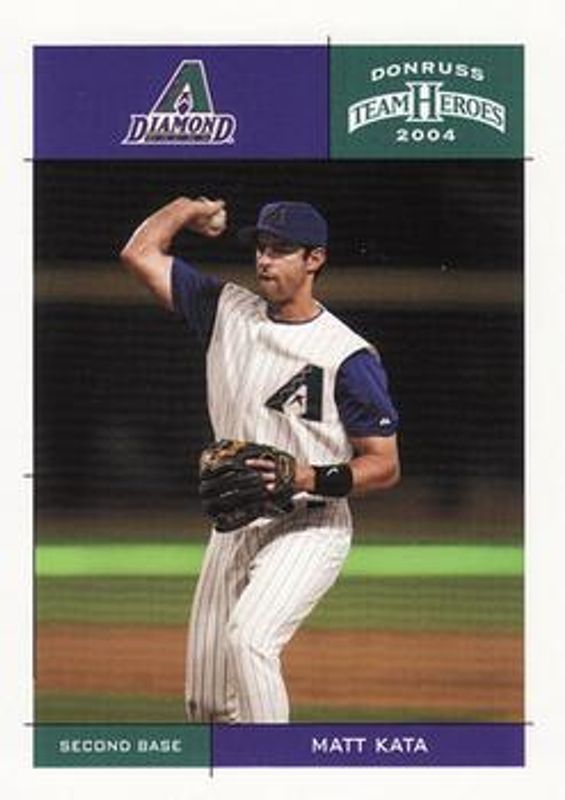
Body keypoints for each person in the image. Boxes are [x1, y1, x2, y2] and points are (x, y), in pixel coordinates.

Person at [120, 195, 400, 723]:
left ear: (314, 259)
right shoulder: (225, 310)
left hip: (310, 525)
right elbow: (139, 253)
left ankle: (276, 764)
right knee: (206, 703)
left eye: (281, 250)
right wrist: (187, 208)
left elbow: (383, 464)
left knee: (250, 639)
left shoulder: (346, 355)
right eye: (261, 248)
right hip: (234, 523)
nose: (265, 260)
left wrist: (307, 475)